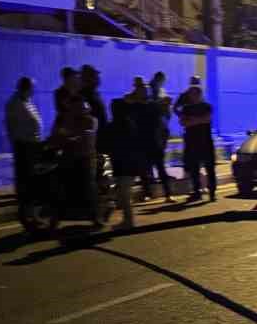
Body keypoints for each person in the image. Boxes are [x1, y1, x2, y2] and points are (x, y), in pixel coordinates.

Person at [46, 91, 100, 231]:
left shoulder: (89, 120)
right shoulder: (65, 119)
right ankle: (55, 219)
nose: (78, 110)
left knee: (89, 189)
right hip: (69, 158)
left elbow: (84, 136)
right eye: (74, 107)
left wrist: (68, 137)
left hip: (85, 159)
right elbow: (57, 136)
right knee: (60, 189)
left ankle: (96, 218)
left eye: (80, 107)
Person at [109, 79, 153, 230]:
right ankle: (127, 218)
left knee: (124, 186)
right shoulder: (128, 108)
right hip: (126, 153)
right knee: (123, 187)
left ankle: (128, 220)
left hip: (130, 154)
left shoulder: (138, 110)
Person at [4, 76, 43, 225]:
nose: (34, 91)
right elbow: (10, 125)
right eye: (32, 88)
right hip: (23, 146)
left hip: (32, 145)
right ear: (26, 88)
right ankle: (26, 213)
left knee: (33, 181)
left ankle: (32, 213)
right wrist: (17, 142)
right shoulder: (14, 103)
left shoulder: (27, 101)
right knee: (26, 180)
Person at [176, 76, 216, 201]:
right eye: (191, 94)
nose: (193, 96)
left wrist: (193, 120)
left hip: (205, 140)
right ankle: (197, 191)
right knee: (194, 168)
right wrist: (199, 120)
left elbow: (207, 119)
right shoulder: (186, 108)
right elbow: (184, 123)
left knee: (209, 167)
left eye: (195, 93)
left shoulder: (207, 106)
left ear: (199, 94)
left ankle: (212, 192)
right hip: (192, 141)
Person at [144, 72, 174, 200]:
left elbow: (167, 110)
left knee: (158, 162)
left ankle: (164, 192)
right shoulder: (150, 93)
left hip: (159, 130)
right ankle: (151, 190)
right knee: (150, 163)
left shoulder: (160, 91)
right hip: (150, 132)